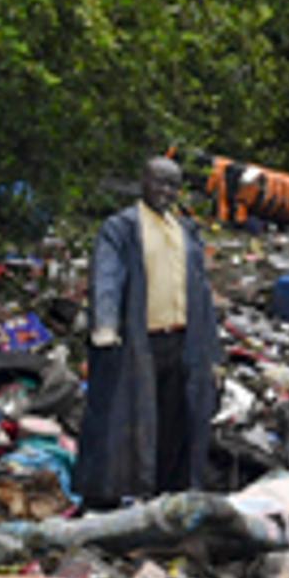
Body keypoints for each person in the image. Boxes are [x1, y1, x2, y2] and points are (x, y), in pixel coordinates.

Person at [81, 155, 217, 505]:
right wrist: (106, 325)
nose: (165, 191)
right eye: (159, 182)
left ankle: (166, 493)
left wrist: (211, 348)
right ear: (143, 181)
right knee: (130, 418)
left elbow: (200, 289)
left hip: (182, 339)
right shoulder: (122, 228)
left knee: (176, 418)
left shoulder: (185, 230)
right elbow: (106, 277)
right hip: (140, 341)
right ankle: (118, 493)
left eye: (172, 185)